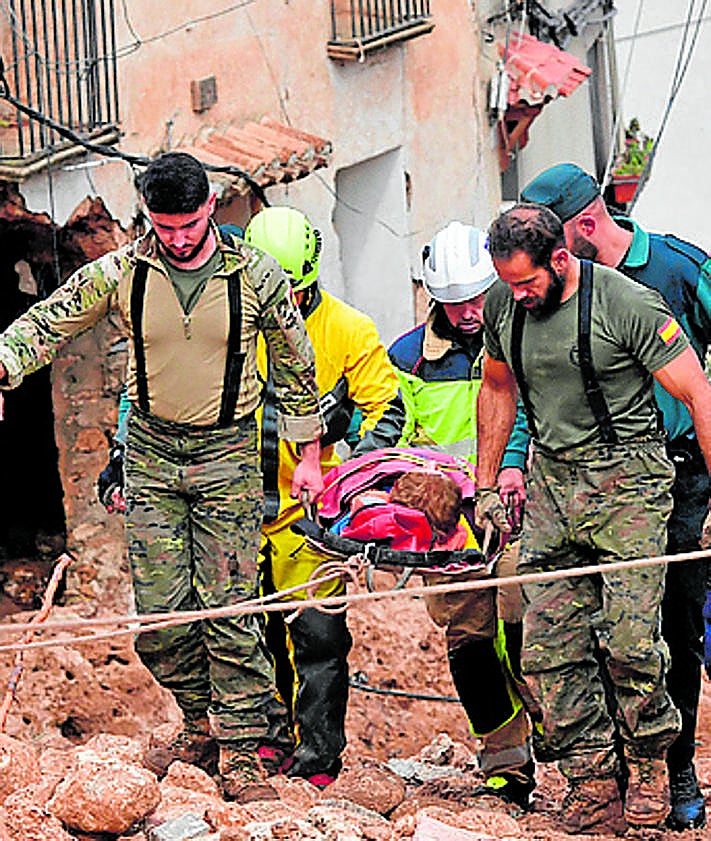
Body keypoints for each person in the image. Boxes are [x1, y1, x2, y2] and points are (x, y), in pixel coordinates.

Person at [0, 152, 325, 803]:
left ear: (210, 208)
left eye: (189, 223)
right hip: (150, 453)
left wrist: (306, 454)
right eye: (164, 225)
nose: (178, 238)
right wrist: (2, 363)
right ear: (151, 216)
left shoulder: (254, 274)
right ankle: (200, 722)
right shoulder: (123, 272)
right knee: (162, 618)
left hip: (228, 455)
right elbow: (50, 320)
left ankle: (238, 752)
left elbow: (295, 361)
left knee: (229, 609)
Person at [475, 203, 711, 835]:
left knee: (631, 641)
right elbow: (497, 388)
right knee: (549, 648)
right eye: (508, 285)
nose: (518, 296)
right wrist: (486, 480)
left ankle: (652, 767)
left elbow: (697, 392)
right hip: (554, 484)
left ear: (560, 259)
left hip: (629, 482)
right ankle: (592, 780)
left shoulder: (627, 304)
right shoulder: (506, 308)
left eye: (526, 283)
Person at [243, 206, 401, 786]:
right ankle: (265, 740)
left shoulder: (348, 329)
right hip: (232, 508)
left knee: (318, 638)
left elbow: (389, 410)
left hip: (310, 513)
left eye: (294, 293)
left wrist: (352, 472)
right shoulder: (232, 318)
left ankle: (318, 761)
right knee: (248, 636)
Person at [385, 221, 536, 809]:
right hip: (448, 518)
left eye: (478, 296)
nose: (472, 312)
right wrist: (399, 486)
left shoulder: (524, 331)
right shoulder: (407, 358)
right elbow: (387, 432)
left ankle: (558, 733)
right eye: (456, 302)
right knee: (469, 640)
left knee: (529, 621)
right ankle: (505, 761)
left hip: (518, 502)